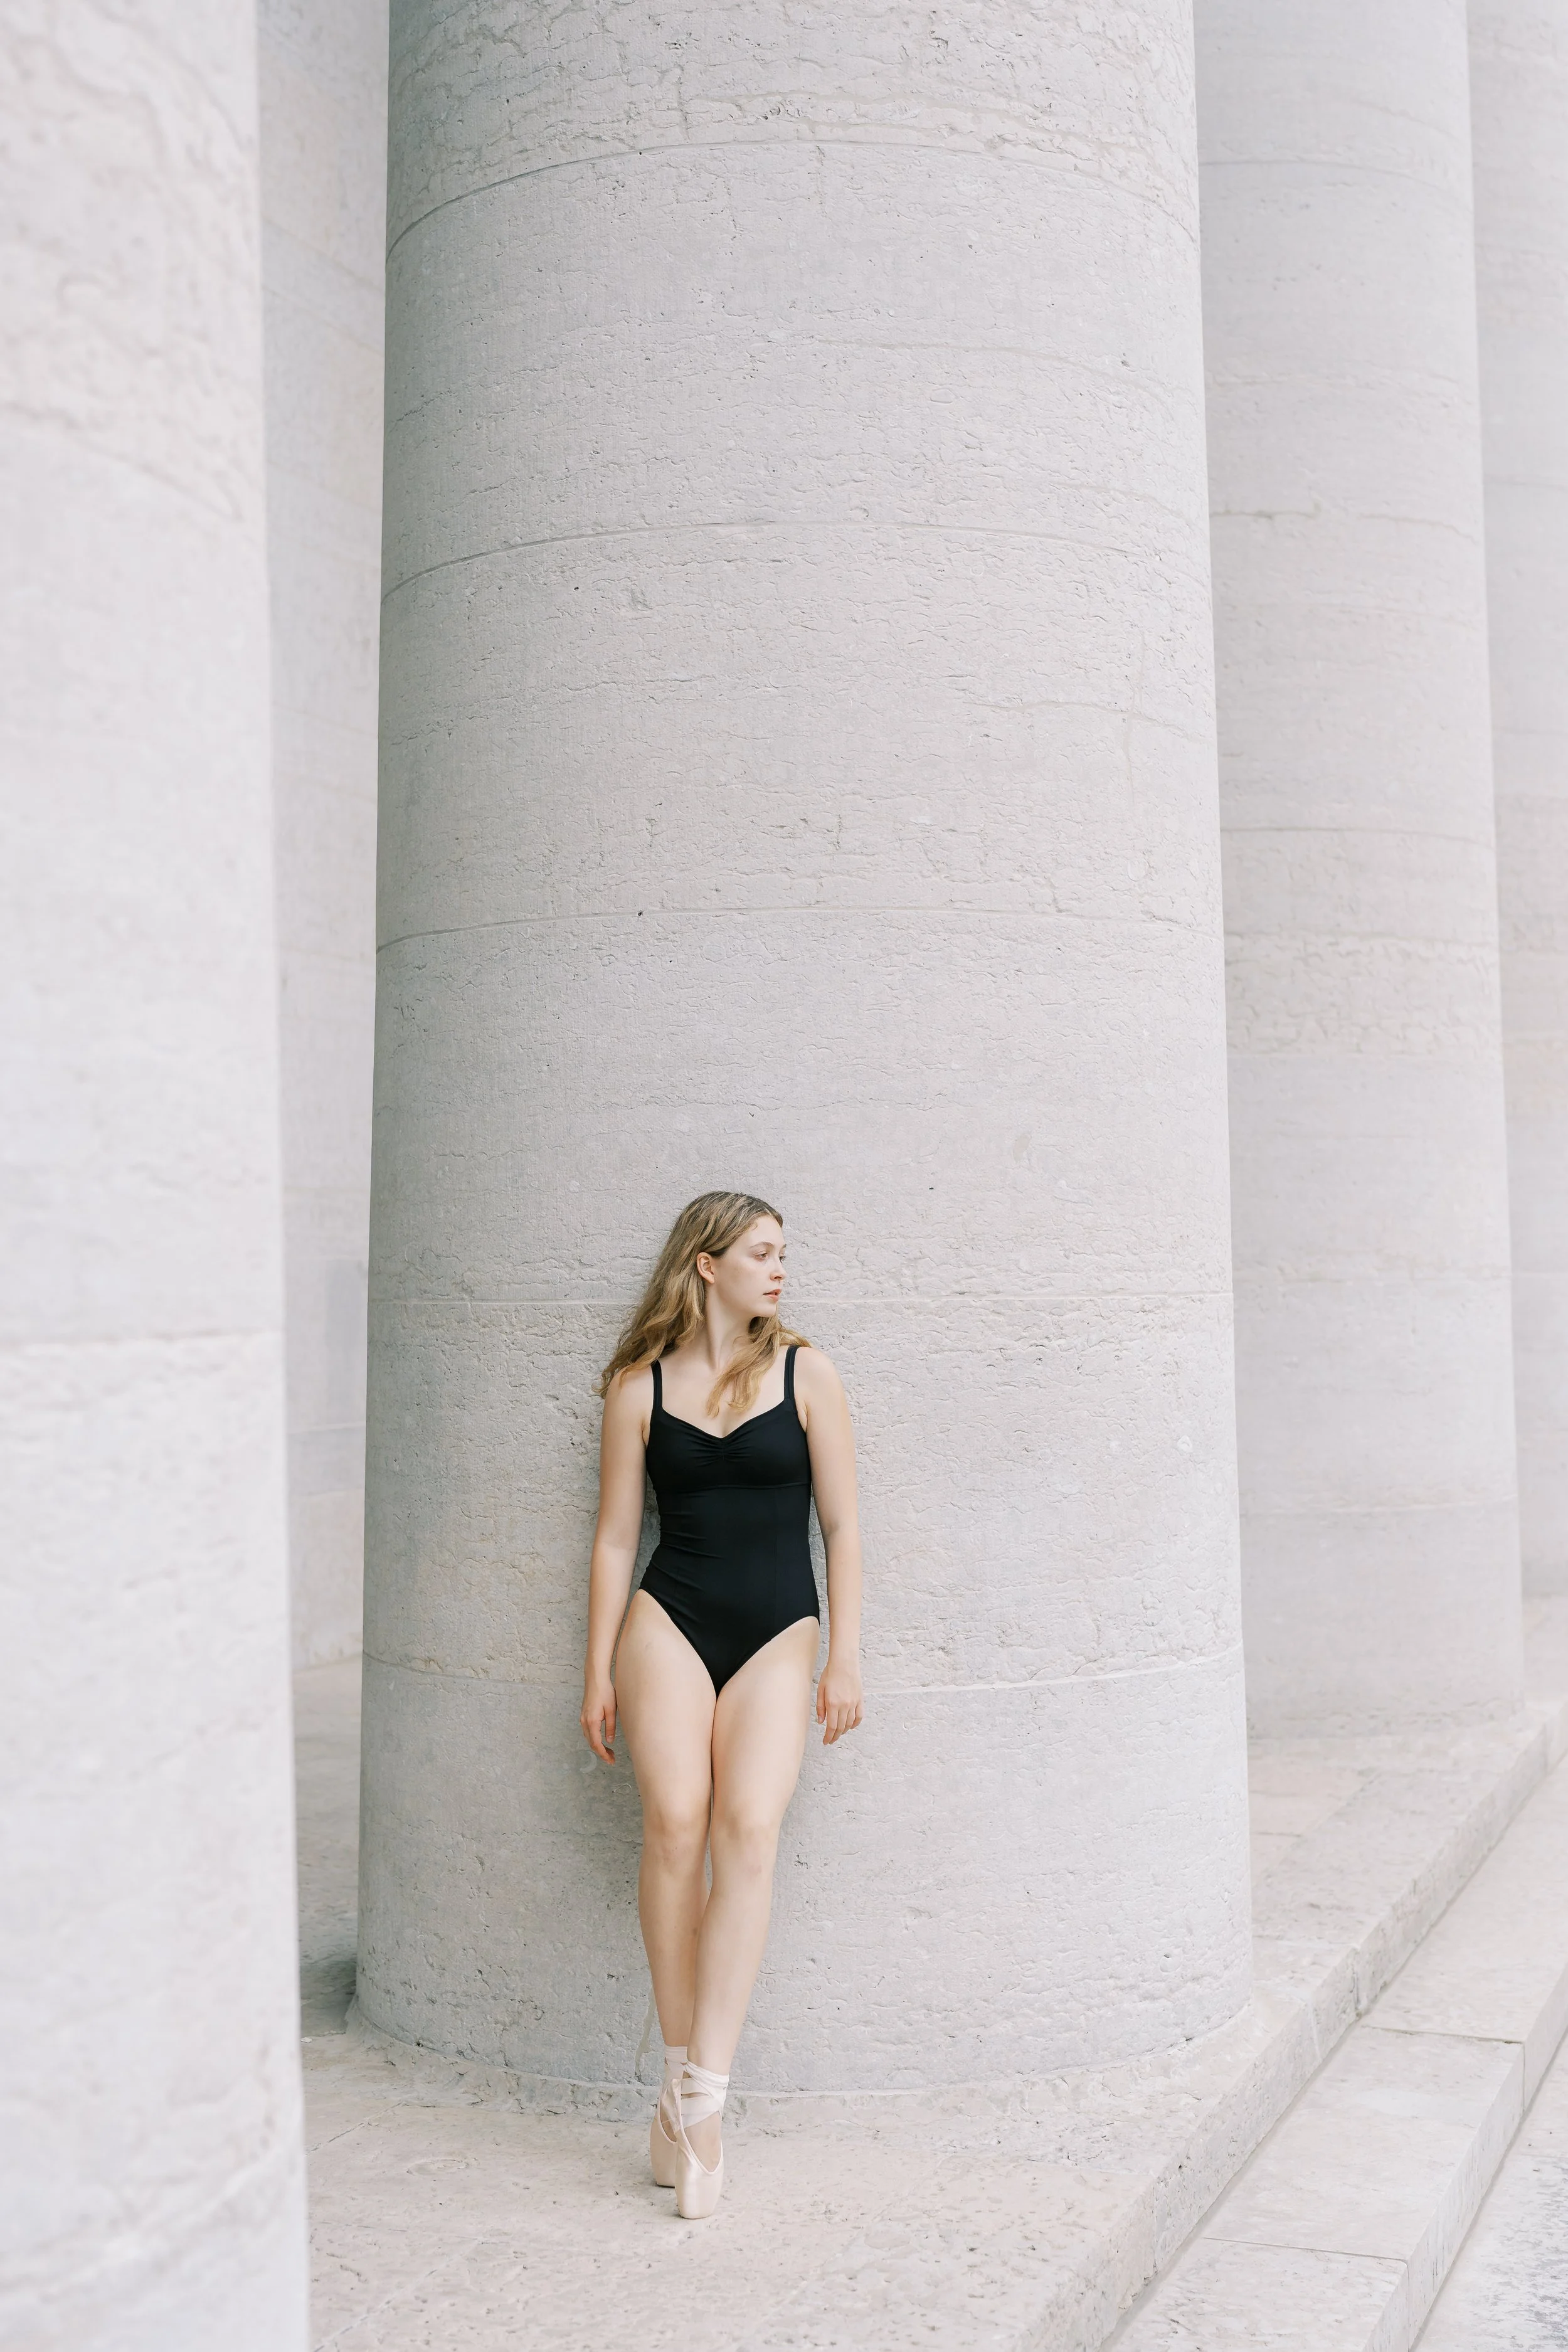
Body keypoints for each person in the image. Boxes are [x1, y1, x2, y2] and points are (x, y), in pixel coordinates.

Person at [580, 1191, 864, 2217]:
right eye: (762, 1251)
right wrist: (597, 1667)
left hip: (781, 1626)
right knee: (676, 1824)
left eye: (783, 1252)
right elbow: (617, 1535)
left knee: (748, 1827)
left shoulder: (807, 1372)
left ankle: (704, 2095)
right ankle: (679, 2082)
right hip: (670, 1619)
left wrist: (846, 1656)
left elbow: (842, 1522)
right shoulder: (638, 1387)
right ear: (707, 1264)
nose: (780, 1268)